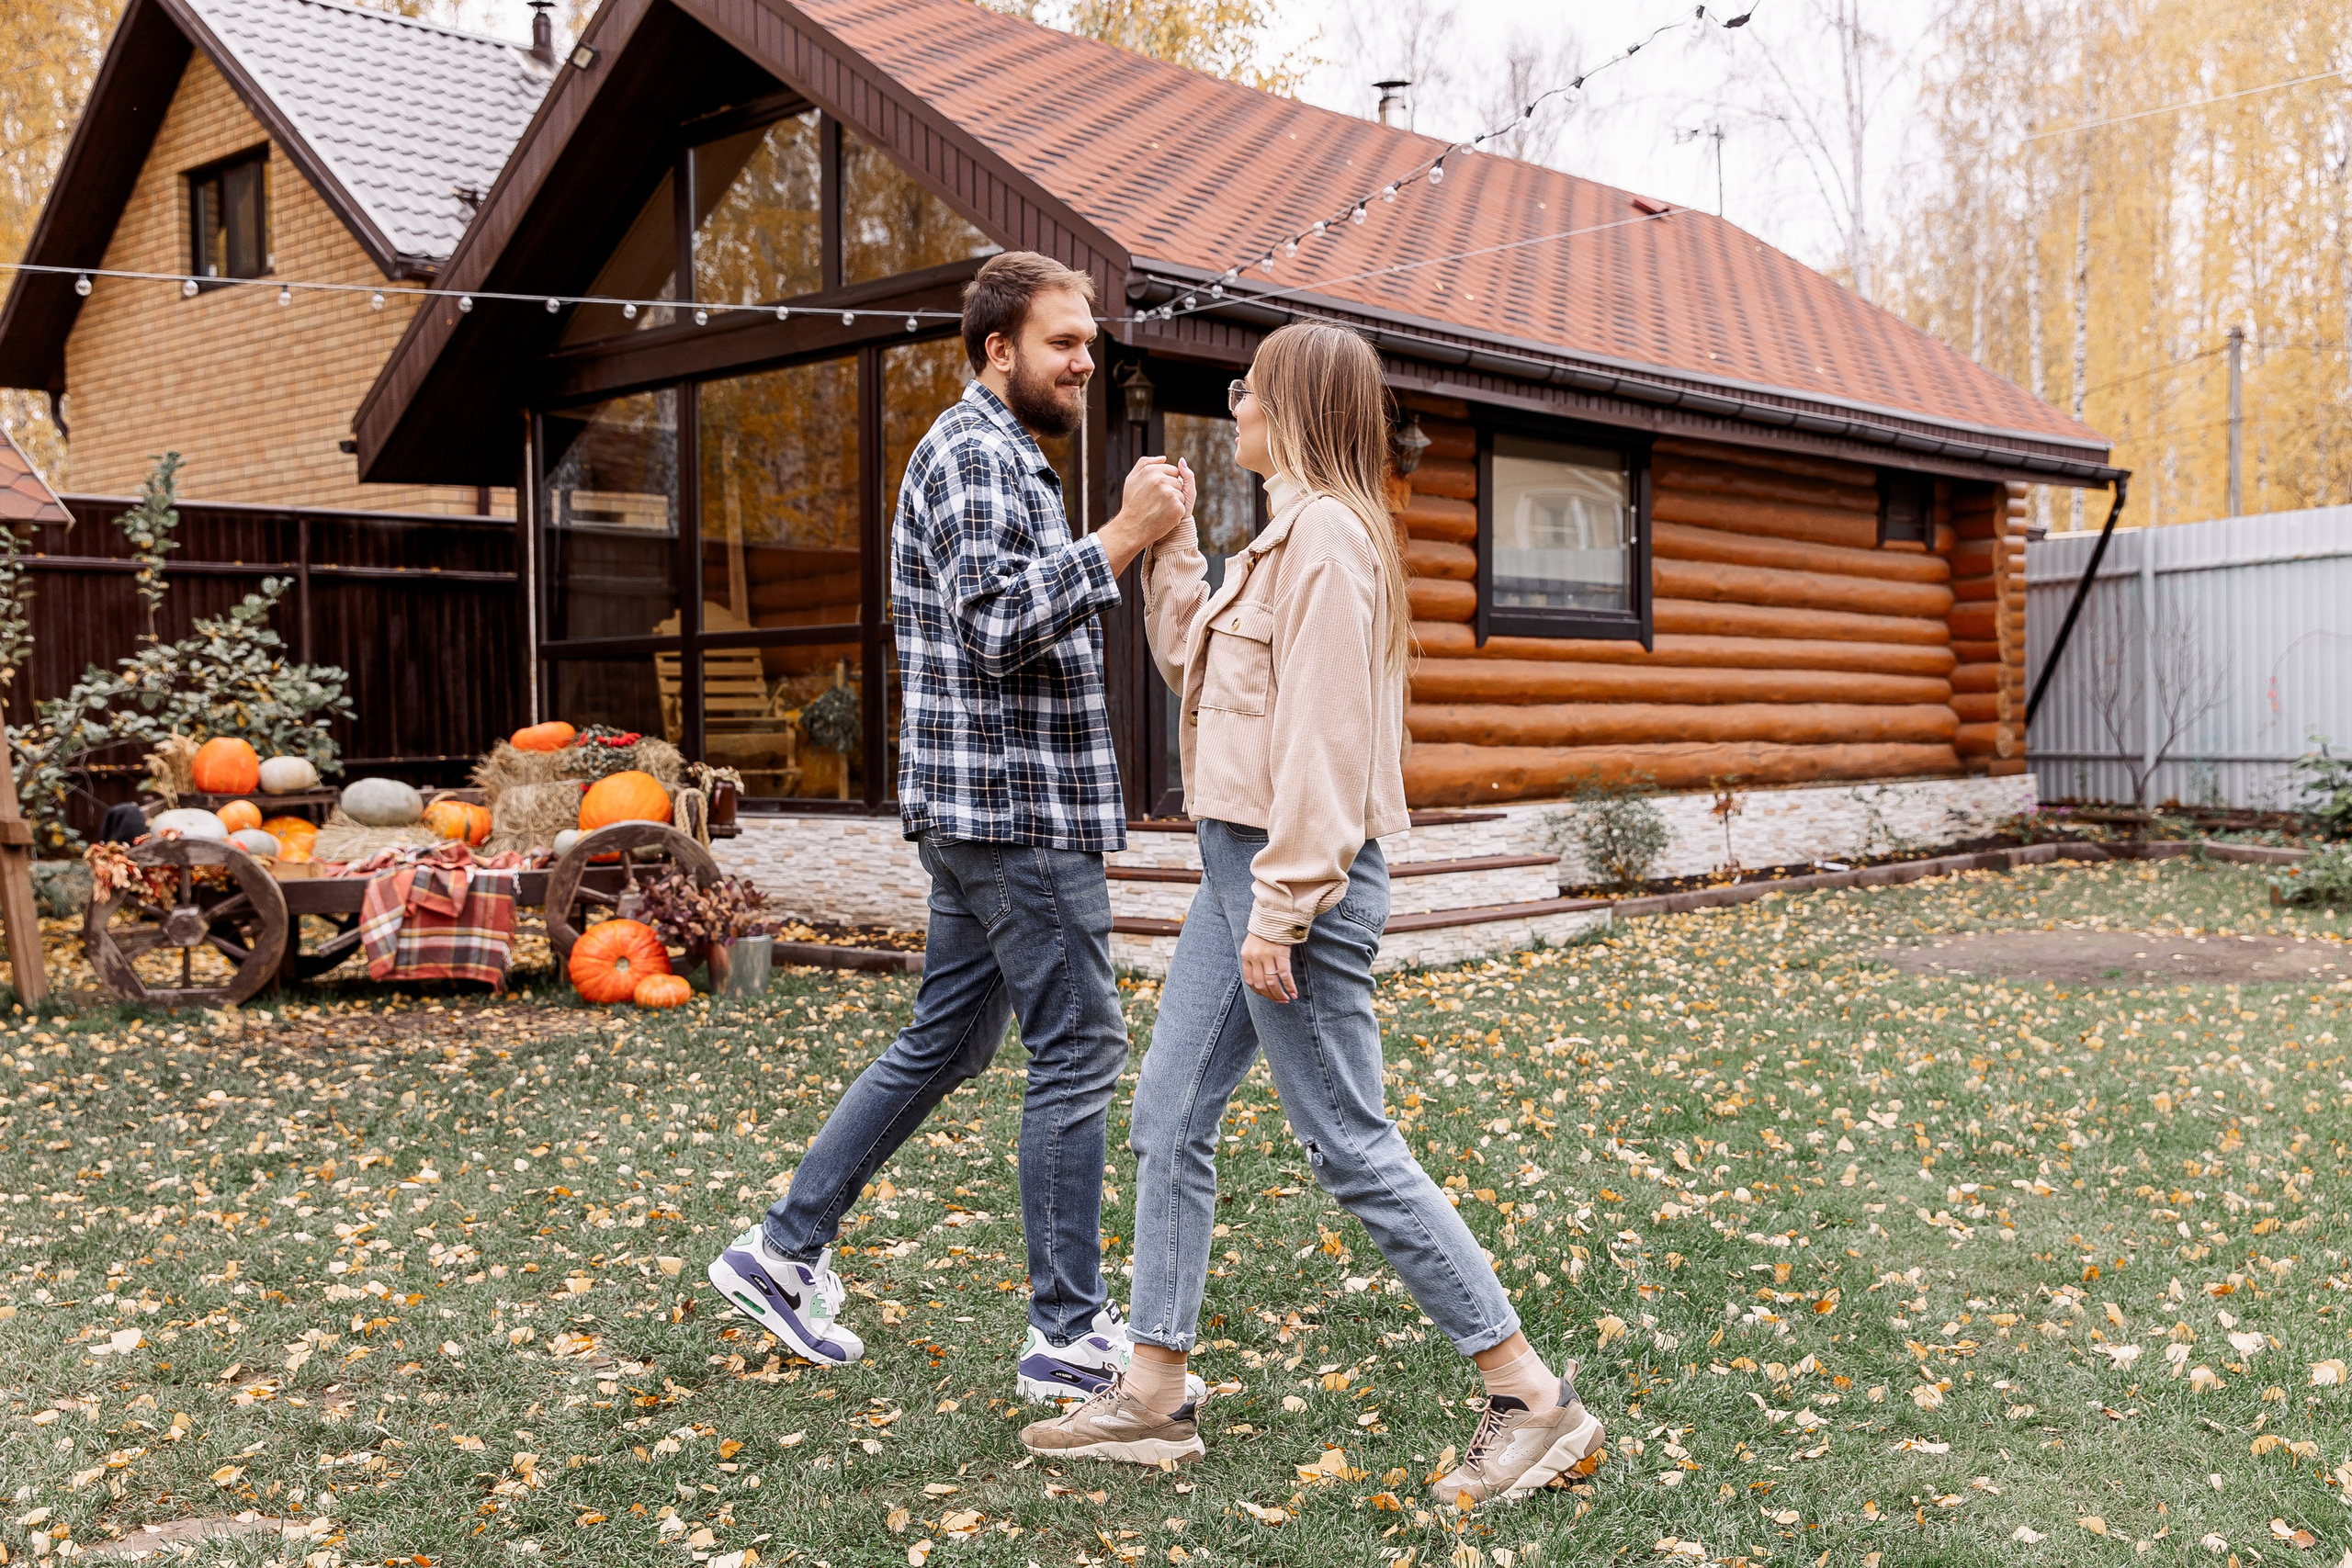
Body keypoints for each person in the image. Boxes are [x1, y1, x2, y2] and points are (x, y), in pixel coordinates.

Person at [1017, 321, 1605, 1505]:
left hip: (1299, 884)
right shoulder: (1278, 541)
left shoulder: (1332, 540)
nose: (1233, 401)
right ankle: (1153, 1395)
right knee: (1168, 1110)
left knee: (1349, 1142)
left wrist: (1281, 911)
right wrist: (1173, 543)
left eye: (1247, 386)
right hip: (1242, 872)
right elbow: (1194, 660)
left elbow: (1328, 746)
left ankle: (1530, 1395)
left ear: (1290, 403)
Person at [707, 251, 1196, 1404]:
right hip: (1013, 814)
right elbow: (993, 624)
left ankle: (783, 1252)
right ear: (996, 351)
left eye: (1089, 342)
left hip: (988, 807)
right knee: (1077, 1052)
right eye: (1062, 343)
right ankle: (1068, 1335)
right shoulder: (977, 454)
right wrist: (1123, 536)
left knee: (951, 1040)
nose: (1085, 361)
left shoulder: (999, 456)